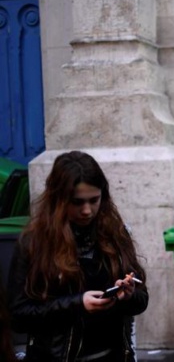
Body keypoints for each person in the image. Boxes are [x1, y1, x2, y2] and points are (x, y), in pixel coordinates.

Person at [7, 151, 149, 362]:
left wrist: (127, 295)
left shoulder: (114, 233)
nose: (87, 210)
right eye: (77, 202)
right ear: (59, 200)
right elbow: (18, 316)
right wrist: (77, 304)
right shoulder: (35, 242)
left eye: (94, 200)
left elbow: (141, 299)